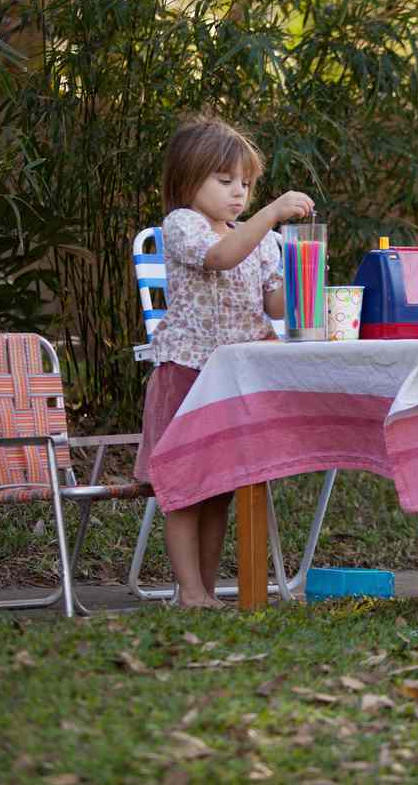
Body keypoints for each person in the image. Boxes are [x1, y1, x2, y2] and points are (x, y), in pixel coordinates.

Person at [135, 117, 314, 608]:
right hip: (188, 373)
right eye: (226, 180)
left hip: (235, 377)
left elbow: (273, 304)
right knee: (186, 485)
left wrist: (302, 281)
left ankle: (206, 592)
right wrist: (272, 215)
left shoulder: (257, 238)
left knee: (218, 487)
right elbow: (221, 257)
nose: (240, 194)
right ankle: (188, 590)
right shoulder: (184, 225)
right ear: (189, 178)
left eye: (248, 185)